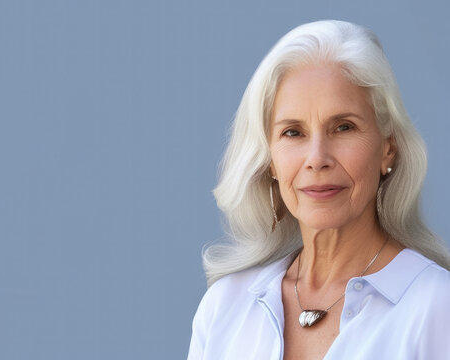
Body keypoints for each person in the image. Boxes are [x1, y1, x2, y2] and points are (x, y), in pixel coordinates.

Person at [187, 20, 450, 360]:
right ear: (270, 160)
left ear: (388, 148)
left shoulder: (438, 307)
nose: (317, 158)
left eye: (343, 127)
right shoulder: (224, 308)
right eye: (293, 132)